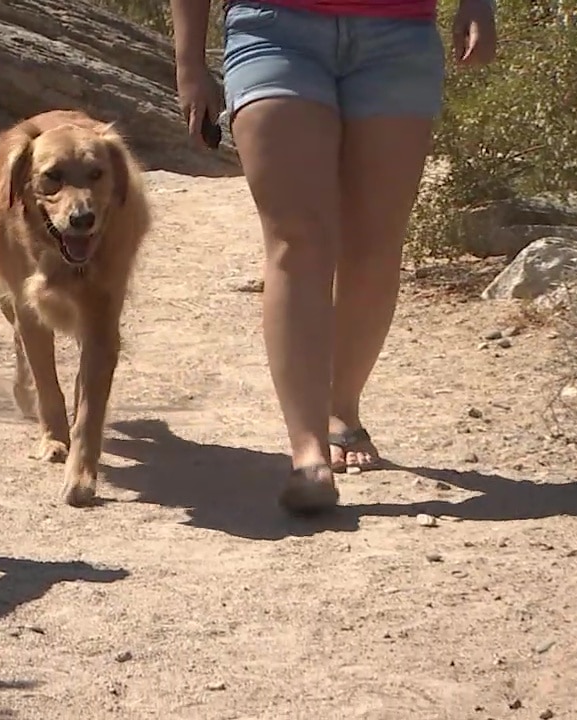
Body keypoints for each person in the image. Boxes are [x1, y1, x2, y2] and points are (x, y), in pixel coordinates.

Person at [169, 0, 498, 514]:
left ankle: (342, 409)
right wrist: (189, 63)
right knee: (297, 239)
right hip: (272, 29)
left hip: (398, 31)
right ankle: (308, 452)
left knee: (374, 244)